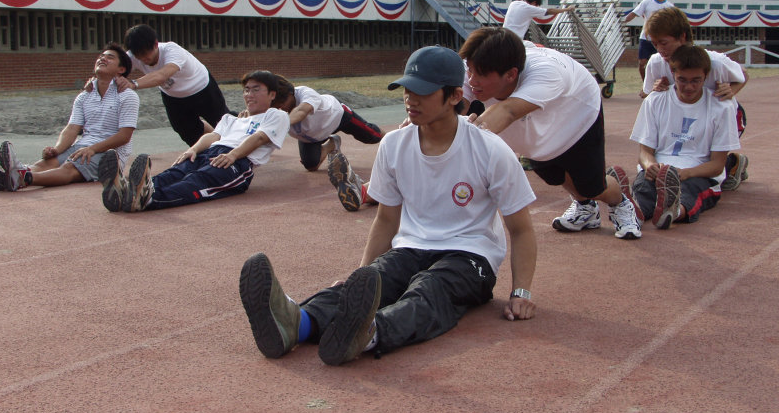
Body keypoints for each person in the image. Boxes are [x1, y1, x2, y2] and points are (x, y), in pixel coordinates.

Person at [238, 45, 538, 365]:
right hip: (411, 248)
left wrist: (521, 293)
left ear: (454, 96)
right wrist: (361, 275)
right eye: (407, 90)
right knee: (379, 278)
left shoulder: (490, 150)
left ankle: (370, 332)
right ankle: (297, 324)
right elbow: (385, 220)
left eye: (423, 92)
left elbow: (520, 230)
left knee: (429, 288)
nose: (411, 99)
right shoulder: (394, 144)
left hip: (471, 255)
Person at [459, 26, 643, 240]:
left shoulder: (547, 72)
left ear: (511, 75)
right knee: (555, 176)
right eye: (470, 70)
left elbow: (507, 111)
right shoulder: (474, 67)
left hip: (575, 118)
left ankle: (619, 202)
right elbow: (453, 106)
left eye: (480, 75)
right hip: (534, 131)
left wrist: (462, 142)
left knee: (592, 187)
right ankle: (586, 209)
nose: (472, 80)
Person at [99, 70, 290, 212]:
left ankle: (149, 199)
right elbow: (213, 136)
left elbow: (259, 138)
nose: (249, 95)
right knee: (175, 172)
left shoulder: (276, 116)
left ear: (272, 94)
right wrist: (193, 150)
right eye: (246, 90)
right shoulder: (232, 119)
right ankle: (126, 190)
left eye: (256, 90)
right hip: (210, 152)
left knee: (196, 180)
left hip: (238, 162)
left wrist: (233, 154)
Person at [613, 45, 741, 229]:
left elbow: (717, 165)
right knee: (644, 186)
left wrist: (685, 173)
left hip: (699, 173)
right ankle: (634, 211)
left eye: (696, 80)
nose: (689, 87)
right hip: (661, 169)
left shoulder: (722, 107)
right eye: (682, 80)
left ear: (706, 76)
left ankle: (674, 211)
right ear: (673, 73)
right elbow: (645, 152)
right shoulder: (655, 100)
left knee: (690, 191)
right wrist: (650, 166)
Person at [0, 44, 139, 192]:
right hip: (83, 146)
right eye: (101, 56)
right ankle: (4, 177)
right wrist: (56, 149)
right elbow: (72, 128)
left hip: (110, 154)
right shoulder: (84, 96)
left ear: (121, 69)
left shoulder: (127, 96)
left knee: (69, 168)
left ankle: (21, 177)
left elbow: (124, 136)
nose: (102, 59)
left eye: (110, 57)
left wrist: (93, 149)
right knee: (46, 163)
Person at [641, 7, 749, 190]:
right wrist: (654, 90)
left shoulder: (714, 62)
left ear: (682, 36)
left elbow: (744, 74)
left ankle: (732, 163)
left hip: (717, 118)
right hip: (682, 119)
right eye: (655, 44)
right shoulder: (656, 62)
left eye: (664, 43)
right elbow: (649, 97)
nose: (660, 50)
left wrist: (731, 90)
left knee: (707, 156)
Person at [117, 24, 231, 146]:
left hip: (201, 88)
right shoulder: (133, 56)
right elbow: (115, 71)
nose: (143, 58)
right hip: (173, 96)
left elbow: (161, 75)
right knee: (186, 131)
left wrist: (133, 84)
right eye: (138, 55)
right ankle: (207, 151)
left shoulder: (172, 50)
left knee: (223, 123)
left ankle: (243, 145)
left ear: (155, 44)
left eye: (145, 53)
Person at [272, 77, 384, 172]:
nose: (281, 108)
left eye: (282, 103)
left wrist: (281, 123)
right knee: (311, 165)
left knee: (374, 136)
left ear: (291, 93)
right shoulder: (269, 110)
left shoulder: (305, 93)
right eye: (276, 105)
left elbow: (302, 111)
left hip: (338, 117)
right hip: (312, 136)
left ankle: (395, 138)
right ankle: (331, 144)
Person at [621, 0, 674, 83]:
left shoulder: (669, 6)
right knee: (642, 63)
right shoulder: (646, 2)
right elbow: (634, 13)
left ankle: (662, 83)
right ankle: (646, 84)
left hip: (660, 40)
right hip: (646, 38)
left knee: (662, 62)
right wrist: (623, 21)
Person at [503, 0, 575, 40]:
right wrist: (567, 9)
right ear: (534, 2)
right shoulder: (529, 8)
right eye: (537, 6)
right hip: (515, 38)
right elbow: (550, 11)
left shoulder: (514, 3)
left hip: (504, 34)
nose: (536, 8)